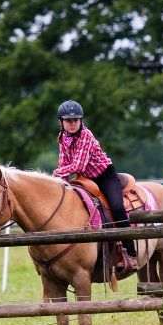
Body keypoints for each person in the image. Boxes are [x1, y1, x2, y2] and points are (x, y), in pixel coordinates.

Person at [51, 99, 138, 265]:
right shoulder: (63, 137)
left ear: (81, 120)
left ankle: (131, 251)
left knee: (117, 207)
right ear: (61, 122)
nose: (72, 124)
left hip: (104, 176)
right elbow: (63, 163)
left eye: (76, 120)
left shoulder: (86, 136)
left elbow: (78, 165)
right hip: (85, 178)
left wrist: (56, 174)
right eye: (68, 121)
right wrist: (60, 182)